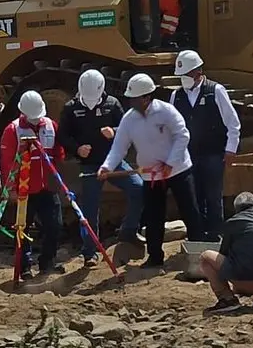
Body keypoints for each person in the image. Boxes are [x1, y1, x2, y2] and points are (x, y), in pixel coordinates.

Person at [99, 73, 203, 269]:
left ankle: (198, 254)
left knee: (190, 211)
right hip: (151, 175)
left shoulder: (166, 111)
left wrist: (171, 163)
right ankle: (155, 257)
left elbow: (183, 136)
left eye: (134, 98)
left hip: (179, 170)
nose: (131, 101)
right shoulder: (129, 120)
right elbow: (119, 146)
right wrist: (107, 166)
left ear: (146, 97)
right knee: (154, 216)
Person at [58, 69, 145, 268]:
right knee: (89, 207)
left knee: (138, 188)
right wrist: (77, 148)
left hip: (113, 162)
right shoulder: (71, 108)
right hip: (89, 165)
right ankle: (90, 252)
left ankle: (129, 230)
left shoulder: (112, 104)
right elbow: (63, 136)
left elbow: (126, 128)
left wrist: (113, 131)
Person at [170, 50, 241, 241]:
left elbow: (232, 123)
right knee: (194, 198)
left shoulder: (215, 91)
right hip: (188, 156)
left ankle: (216, 234)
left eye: (186, 75)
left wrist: (231, 148)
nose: (183, 79)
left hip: (213, 154)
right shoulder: (176, 96)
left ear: (198, 71)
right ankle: (197, 235)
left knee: (213, 196)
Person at [0, 91, 65, 278]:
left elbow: (59, 153)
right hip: (24, 189)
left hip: (48, 187)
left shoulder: (51, 126)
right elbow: (7, 162)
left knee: (55, 225)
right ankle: (24, 267)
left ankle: (47, 263)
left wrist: (57, 178)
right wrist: (10, 188)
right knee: (22, 228)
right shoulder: (13, 130)